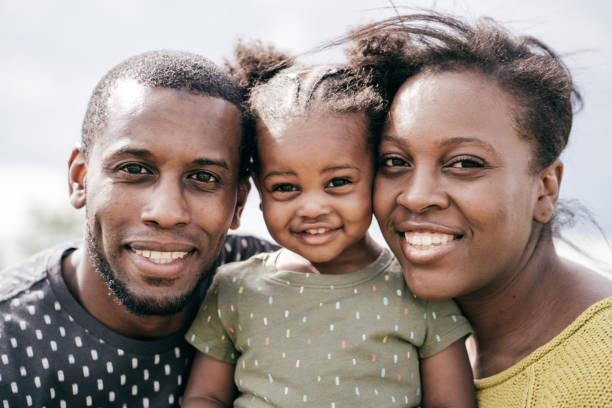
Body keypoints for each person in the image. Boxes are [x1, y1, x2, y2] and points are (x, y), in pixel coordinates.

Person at [181, 43, 475, 408]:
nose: (313, 207)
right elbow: (205, 396)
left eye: (338, 182)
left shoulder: (418, 289)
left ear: (376, 175)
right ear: (258, 187)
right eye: (286, 187)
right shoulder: (233, 288)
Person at [341, 13, 612, 407]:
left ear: (545, 188)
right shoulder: (394, 348)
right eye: (395, 161)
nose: (417, 197)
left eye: (466, 163)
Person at [0, 50, 277, 408]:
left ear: (238, 203)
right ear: (80, 179)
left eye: (204, 177)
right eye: (133, 170)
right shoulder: (10, 343)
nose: (166, 212)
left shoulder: (277, 287)